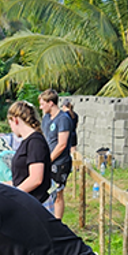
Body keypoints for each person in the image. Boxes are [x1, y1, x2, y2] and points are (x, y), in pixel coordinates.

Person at [38, 90, 77, 221]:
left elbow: (62, 144)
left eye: (42, 104)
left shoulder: (63, 119)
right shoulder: (46, 118)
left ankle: (57, 222)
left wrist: (48, 160)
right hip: (47, 160)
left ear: (51, 103)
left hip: (60, 163)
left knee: (58, 193)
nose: (41, 107)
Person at [7, 101, 51, 204]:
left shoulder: (35, 142)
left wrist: (13, 194)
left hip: (37, 203)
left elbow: (36, 179)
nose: (11, 128)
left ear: (15, 120)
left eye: (10, 124)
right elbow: (22, 177)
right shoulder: (27, 142)